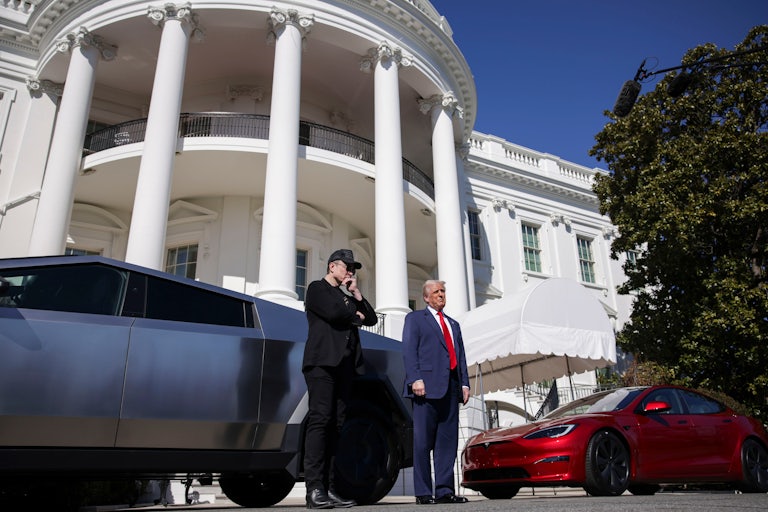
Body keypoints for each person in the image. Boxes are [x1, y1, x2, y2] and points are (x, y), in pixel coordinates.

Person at [302, 249, 378, 509]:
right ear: (332, 266)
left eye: (353, 268)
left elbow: (371, 318)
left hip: (345, 368)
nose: (351, 272)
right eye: (347, 267)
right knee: (320, 421)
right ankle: (314, 489)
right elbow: (335, 314)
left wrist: (356, 295)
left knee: (337, 426)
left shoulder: (346, 297)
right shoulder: (316, 288)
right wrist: (353, 314)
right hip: (322, 364)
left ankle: (330, 489)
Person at [402, 280, 470, 505]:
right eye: (436, 292)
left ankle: (444, 491)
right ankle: (423, 492)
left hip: (451, 388)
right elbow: (410, 350)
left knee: (447, 444)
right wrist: (415, 378)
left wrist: (464, 384)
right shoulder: (414, 319)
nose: (441, 295)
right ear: (426, 297)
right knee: (422, 442)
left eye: (443, 291)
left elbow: (460, 357)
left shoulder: (454, 324)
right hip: (425, 387)